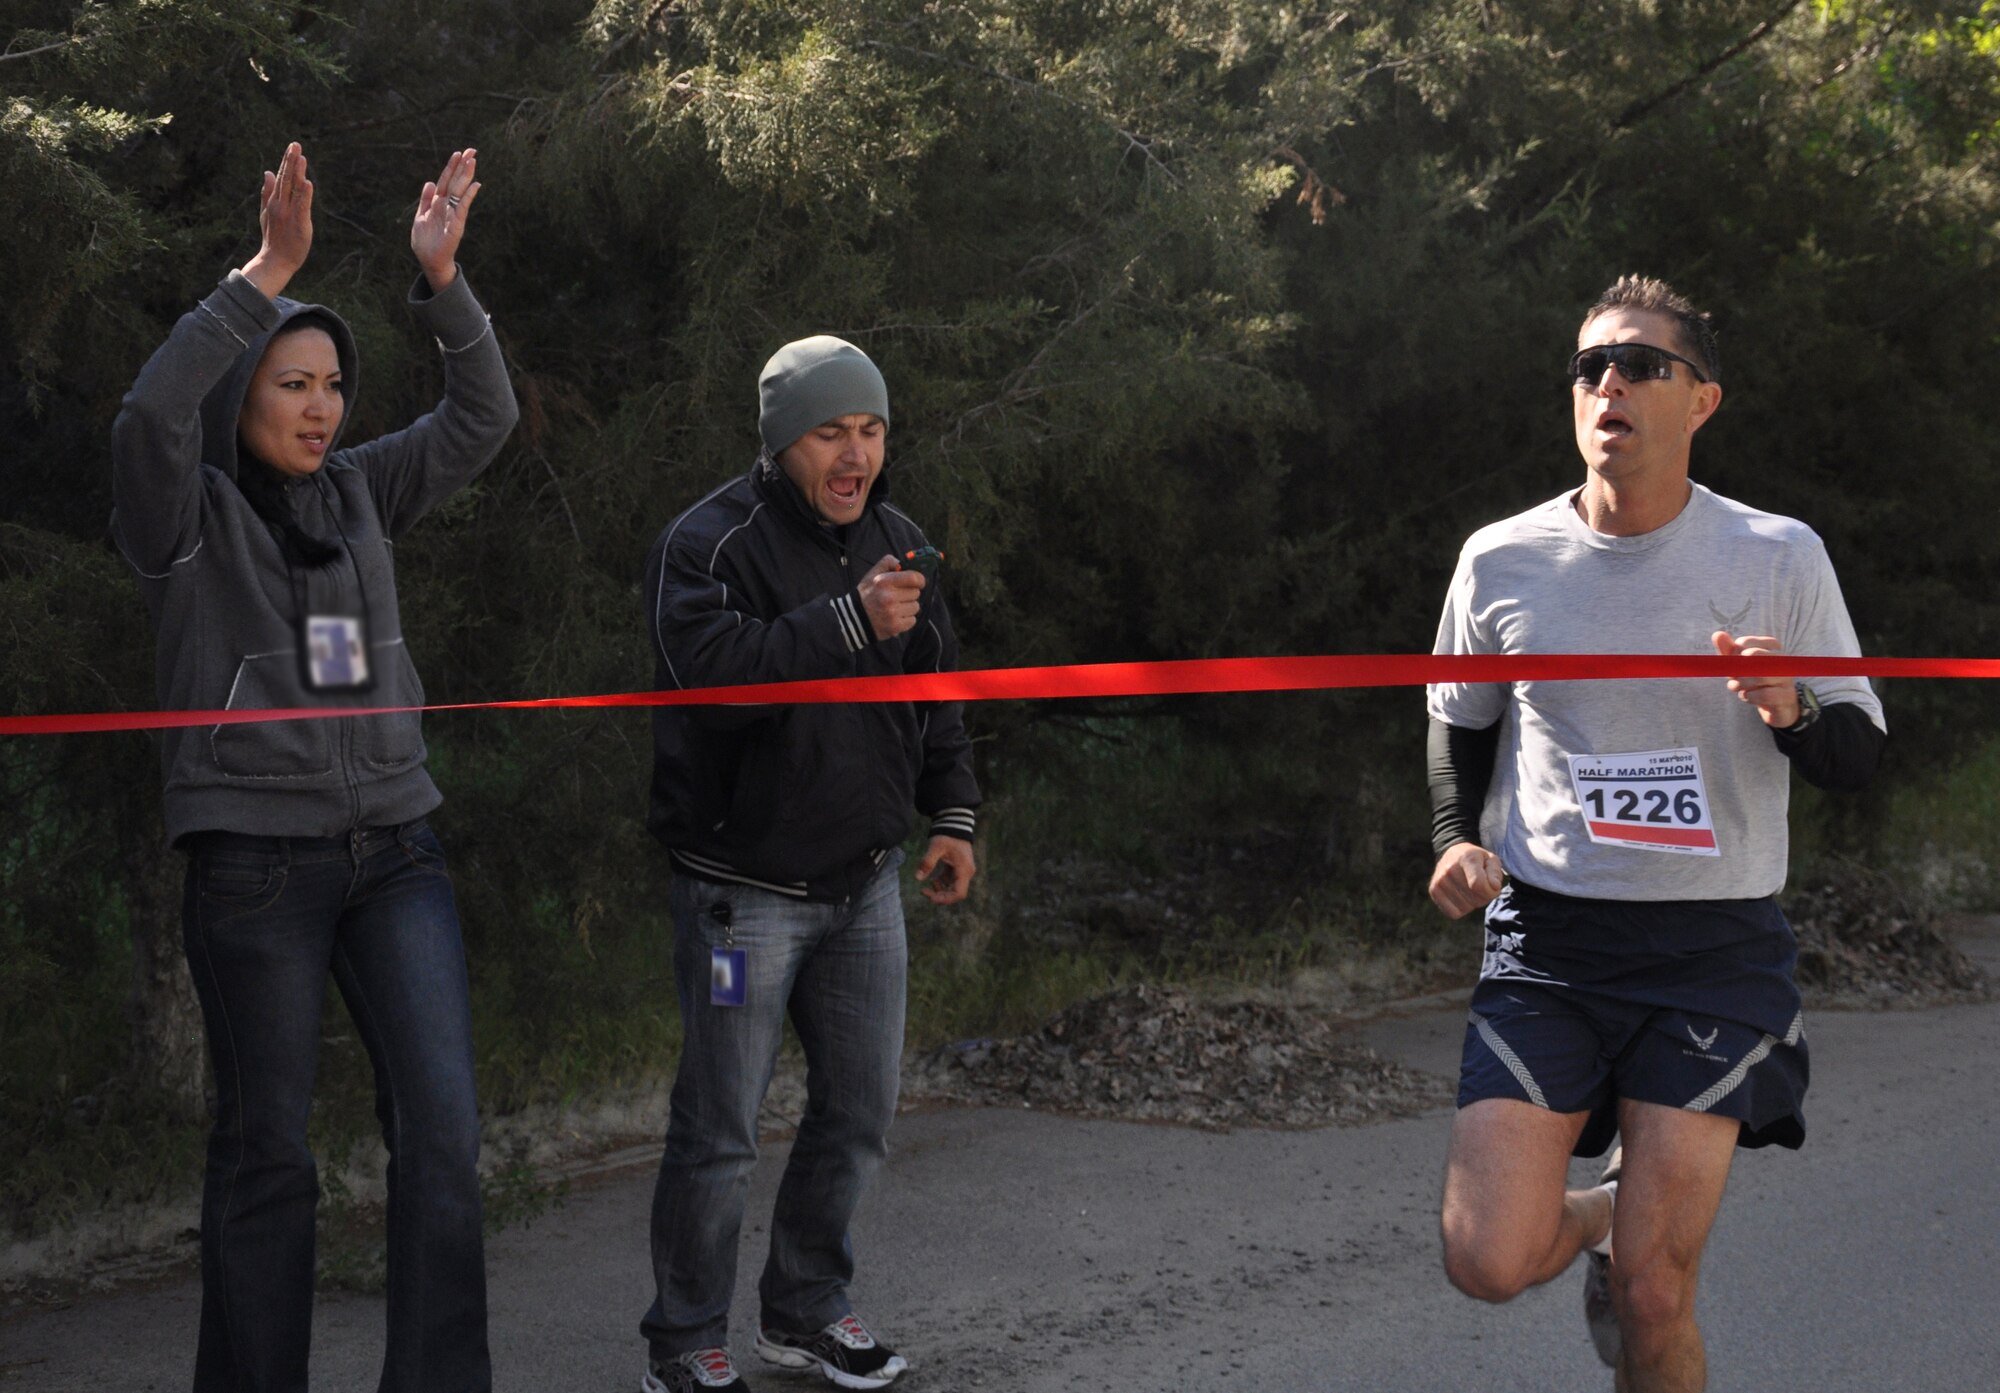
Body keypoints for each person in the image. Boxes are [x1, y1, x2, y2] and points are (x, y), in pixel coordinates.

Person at [1423, 275, 1885, 1392]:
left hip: (1710, 951)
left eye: (1638, 364)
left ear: (1702, 402)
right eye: (1588, 366)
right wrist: (1450, 836)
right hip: (1548, 945)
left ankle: (1621, 1241)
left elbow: (1859, 752)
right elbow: (1455, 718)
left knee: (1653, 1292)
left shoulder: (1776, 555)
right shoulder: (1501, 558)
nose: (1608, 383)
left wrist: (1789, 709)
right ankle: (1591, 1213)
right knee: (1483, 1258)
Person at [110, 142, 518, 1392]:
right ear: (243, 396)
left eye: (333, 384)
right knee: (267, 1155)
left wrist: (442, 282)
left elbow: (484, 417)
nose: (321, 408)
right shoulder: (182, 519)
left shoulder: (361, 491)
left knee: (444, 1139)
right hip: (254, 870)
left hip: (396, 851)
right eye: (292, 383)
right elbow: (146, 414)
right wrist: (264, 274)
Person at [638, 336, 981, 1392]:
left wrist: (953, 816)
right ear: (784, 438)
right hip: (740, 904)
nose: (854, 454)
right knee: (719, 1133)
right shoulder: (707, 543)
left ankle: (804, 1310)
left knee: (860, 1111)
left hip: (865, 886)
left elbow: (936, 692)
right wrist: (843, 620)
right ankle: (683, 1341)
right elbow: (711, 680)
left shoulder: (900, 541)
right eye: (830, 431)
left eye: (870, 430)